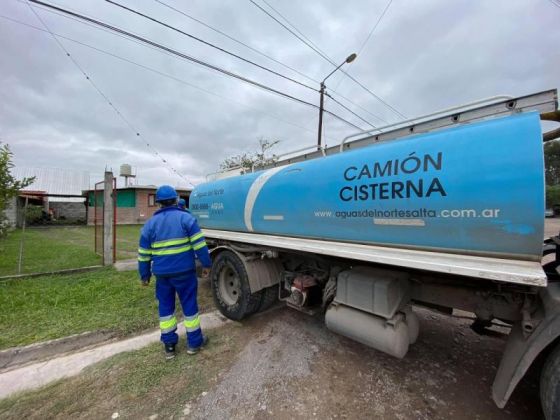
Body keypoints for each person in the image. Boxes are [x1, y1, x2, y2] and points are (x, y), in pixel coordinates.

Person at [138, 185, 212, 359]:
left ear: (158, 203)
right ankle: (194, 343)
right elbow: (200, 246)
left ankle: (170, 346)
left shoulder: (149, 225)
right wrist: (206, 264)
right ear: (176, 199)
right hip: (185, 273)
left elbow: (143, 255)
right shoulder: (186, 219)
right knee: (189, 306)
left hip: (162, 276)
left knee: (165, 308)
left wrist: (145, 275)